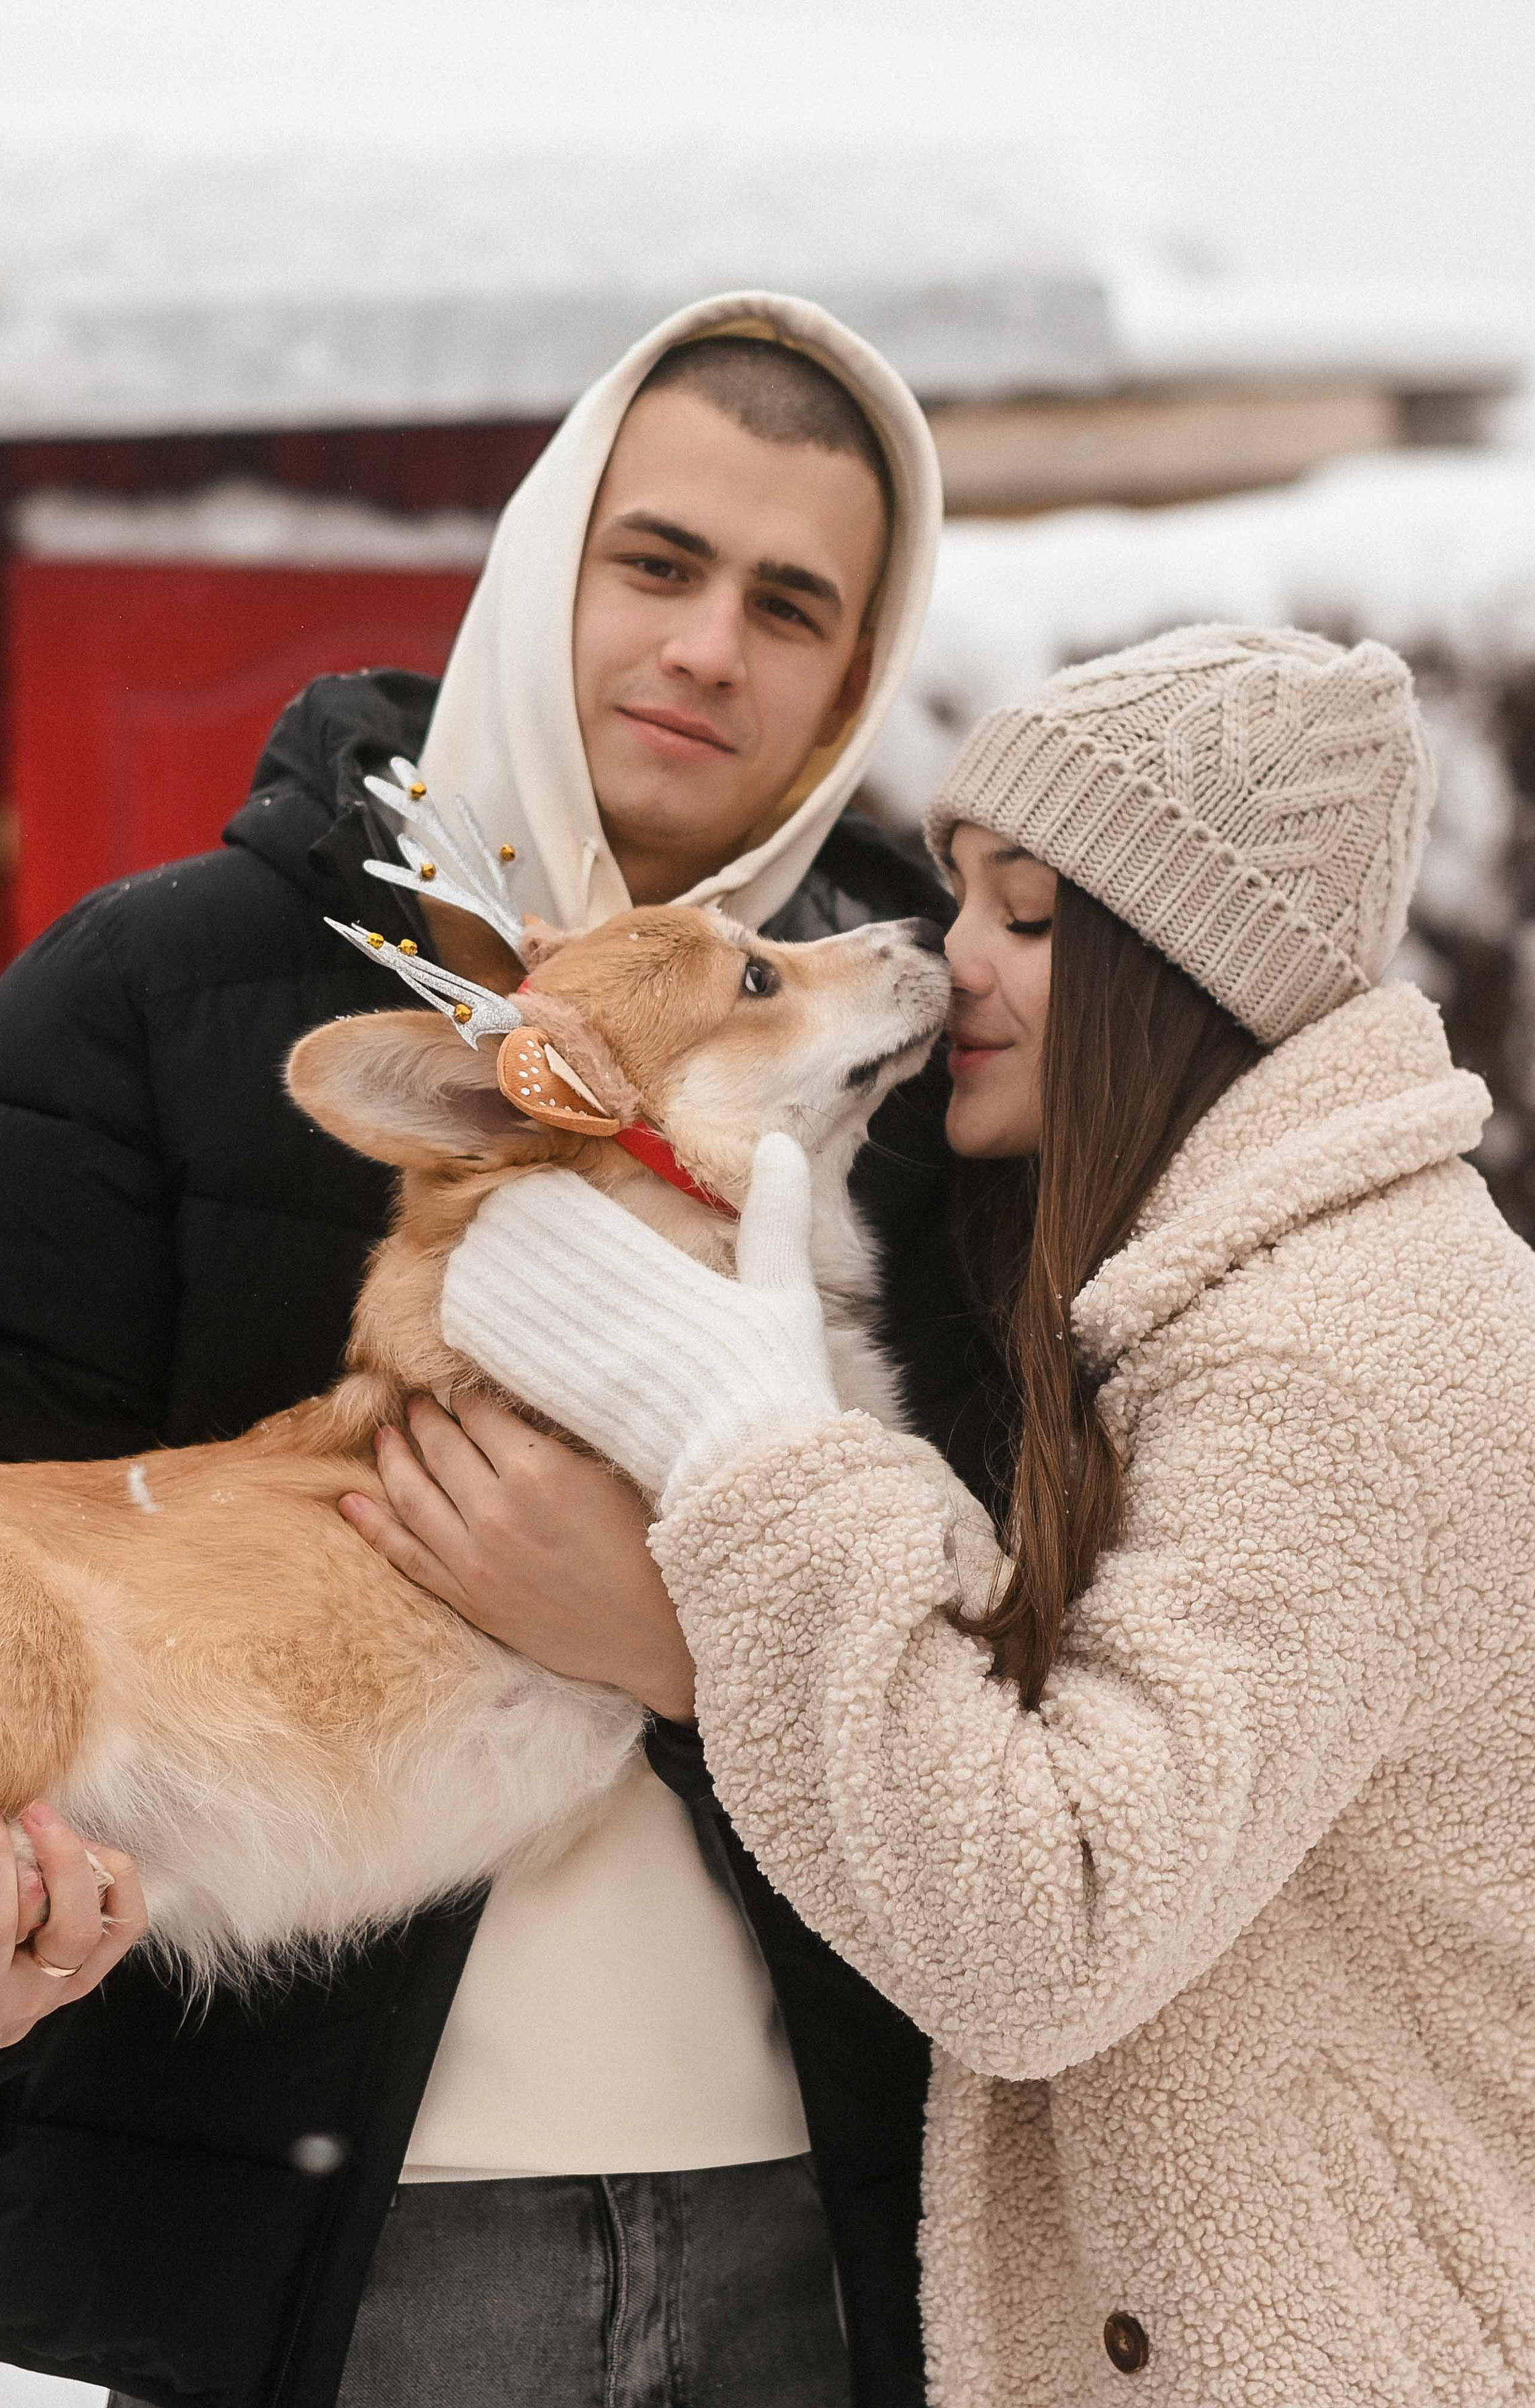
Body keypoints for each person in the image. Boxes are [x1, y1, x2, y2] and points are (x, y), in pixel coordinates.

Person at [433, 624, 1535, 2406]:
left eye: (1027, 920)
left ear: (1187, 981)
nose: (949, 957)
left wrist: (746, 1452)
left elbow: (1045, 1928)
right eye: (963, 895)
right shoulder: (1283, 1305)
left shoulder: (1333, 1373)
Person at [0, 293, 999, 2408]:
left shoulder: (939, 1064)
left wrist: (690, 1641)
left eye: (793, 604)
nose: (711, 646)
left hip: (802, 2228)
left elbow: (1030, 1641)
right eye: (659, 563)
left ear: (850, 677)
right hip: (294, 2262)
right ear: (547, 561)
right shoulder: (155, 986)